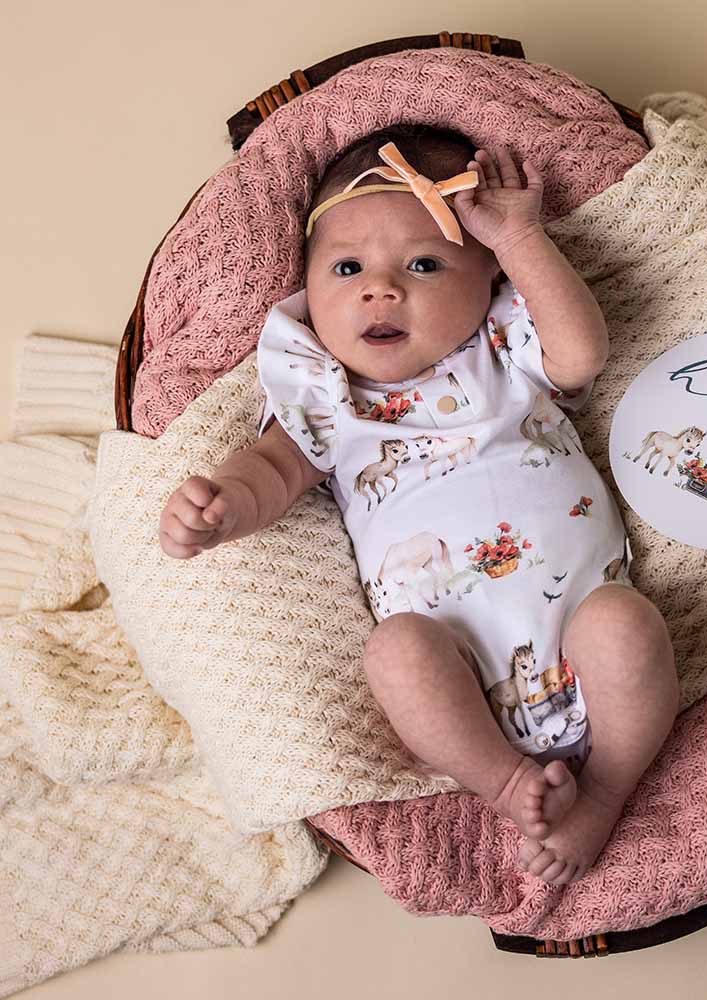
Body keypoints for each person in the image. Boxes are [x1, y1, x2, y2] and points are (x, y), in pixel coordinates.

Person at [159, 124, 680, 885]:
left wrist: (520, 237)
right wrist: (223, 506)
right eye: (347, 268)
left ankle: (604, 792)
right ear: (309, 288)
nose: (381, 289)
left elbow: (581, 353)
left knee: (627, 628)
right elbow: (271, 468)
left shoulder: (503, 348)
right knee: (395, 653)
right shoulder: (327, 398)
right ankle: (507, 782)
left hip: (581, 625)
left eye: (425, 264)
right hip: (456, 663)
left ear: (487, 277)